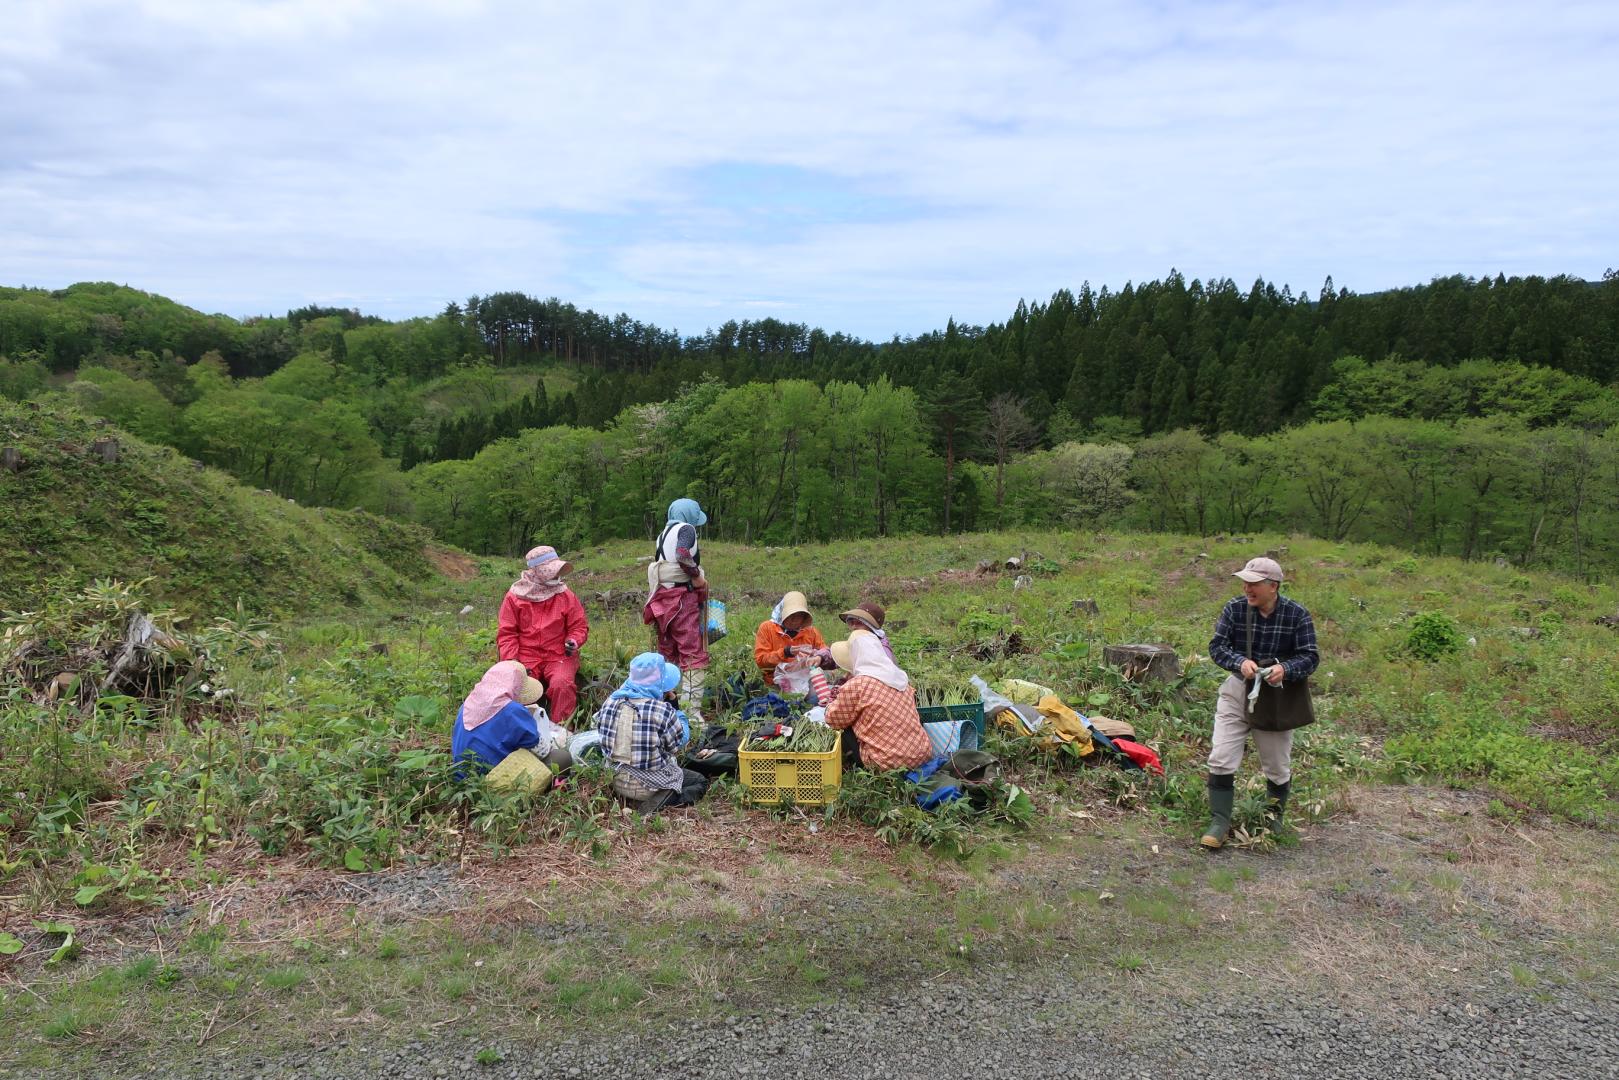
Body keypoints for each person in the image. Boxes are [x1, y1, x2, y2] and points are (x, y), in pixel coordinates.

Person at [1201, 556, 1319, 850]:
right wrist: (1240, 662)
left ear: (1273, 586)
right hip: (1237, 690)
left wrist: (1286, 669)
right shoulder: (1235, 608)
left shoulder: (1297, 614)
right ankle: (1220, 822)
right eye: (1245, 582)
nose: (1247, 588)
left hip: (1275, 697)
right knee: (1221, 756)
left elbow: (1310, 656)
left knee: (1277, 765)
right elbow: (1218, 647)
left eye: (1254, 584)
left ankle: (1273, 819)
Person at [595, 651, 708, 812]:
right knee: (699, 781)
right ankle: (654, 804)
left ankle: (629, 802)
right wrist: (676, 710)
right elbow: (679, 742)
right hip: (647, 785)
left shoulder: (610, 701)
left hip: (615, 777)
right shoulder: (662, 710)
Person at [497, 545, 589, 725]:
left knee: (562, 684)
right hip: (526, 655)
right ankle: (524, 735)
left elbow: (579, 626)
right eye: (551, 572)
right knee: (520, 688)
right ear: (536, 572)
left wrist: (574, 641)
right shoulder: (515, 597)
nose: (557, 576)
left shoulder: (565, 595)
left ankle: (561, 731)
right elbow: (507, 633)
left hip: (559, 654)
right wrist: (512, 661)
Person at [643, 498, 711, 722]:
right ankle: (691, 714)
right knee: (692, 652)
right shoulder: (686, 529)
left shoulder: (663, 534)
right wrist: (697, 577)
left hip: (662, 599)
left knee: (668, 652)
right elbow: (683, 554)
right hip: (682, 599)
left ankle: (667, 707)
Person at [823, 639, 932, 772]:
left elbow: (833, 720)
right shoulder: (901, 680)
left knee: (844, 723)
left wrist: (831, 703)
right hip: (922, 756)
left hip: (885, 762)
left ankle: (853, 765)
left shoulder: (858, 684)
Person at [451, 660, 547, 771]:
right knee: (561, 758)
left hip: (460, 773)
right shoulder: (512, 710)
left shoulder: (467, 704)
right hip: (491, 776)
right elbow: (536, 745)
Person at [753, 591, 835, 688]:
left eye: (799, 616)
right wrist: (785, 652)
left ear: (804, 617)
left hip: (806, 682)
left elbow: (827, 652)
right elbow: (761, 661)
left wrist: (819, 657)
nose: (794, 620)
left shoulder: (811, 632)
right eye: (791, 615)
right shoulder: (767, 628)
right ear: (782, 613)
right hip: (775, 683)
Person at [838, 602, 906, 687]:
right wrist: (821, 657)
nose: (854, 626)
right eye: (851, 622)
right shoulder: (859, 641)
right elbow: (843, 654)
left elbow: (881, 678)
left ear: (870, 626)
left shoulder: (882, 649)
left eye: (859, 623)